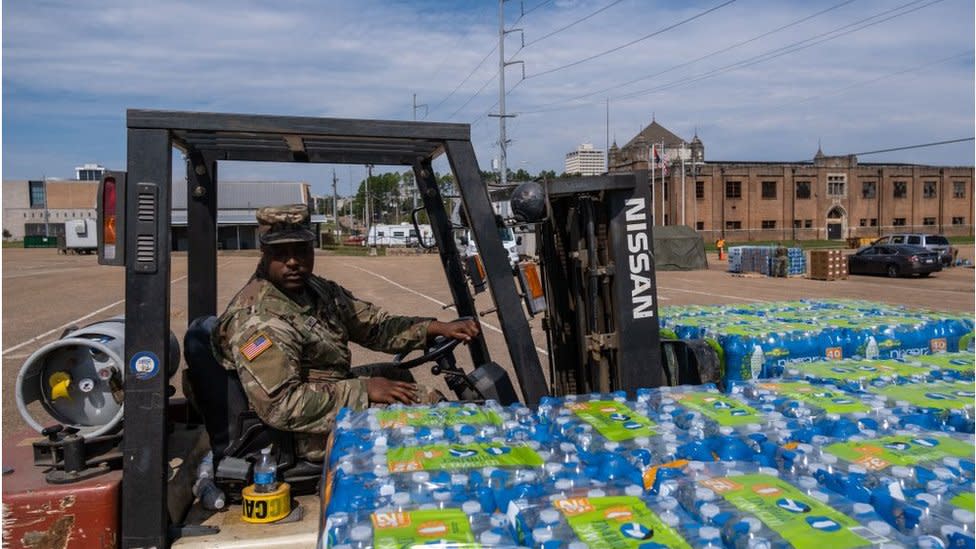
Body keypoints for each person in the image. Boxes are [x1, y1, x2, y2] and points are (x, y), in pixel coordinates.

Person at [213, 204, 480, 460]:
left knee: (394, 375)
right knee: (426, 402)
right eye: (281, 253)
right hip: (296, 434)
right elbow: (281, 406)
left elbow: (373, 326)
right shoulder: (258, 319)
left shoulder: (313, 289)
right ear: (265, 253)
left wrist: (435, 328)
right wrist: (363, 391)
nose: (293, 262)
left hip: (325, 390)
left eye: (302, 250)